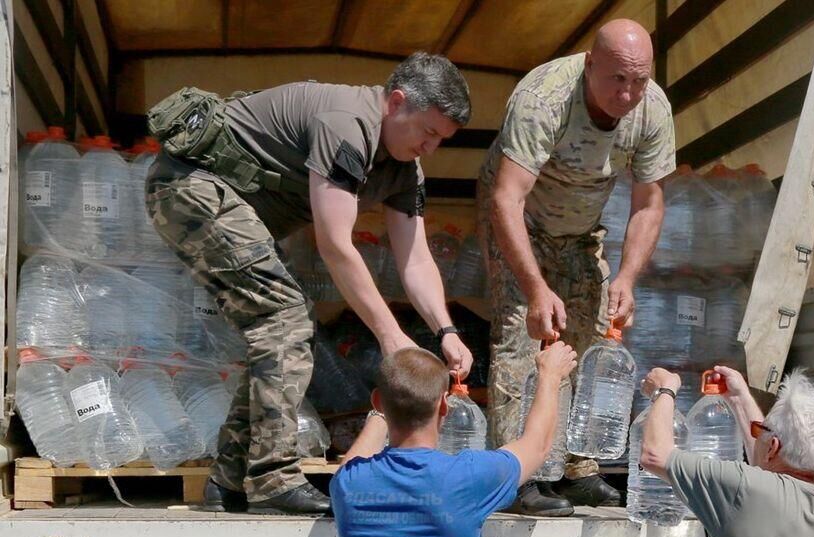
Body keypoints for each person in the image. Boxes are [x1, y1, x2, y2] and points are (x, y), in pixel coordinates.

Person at [145, 52, 475, 515]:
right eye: (429, 132)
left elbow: (416, 259)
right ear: (396, 102)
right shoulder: (347, 124)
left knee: (279, 325)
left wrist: (447, 330)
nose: (431, 147)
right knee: (284, 319)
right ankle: (271, 478)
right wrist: (390, 336)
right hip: (189, 187)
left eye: (442, 139)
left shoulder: (404, 167)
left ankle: (230, 479)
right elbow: (336, 246)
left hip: (234, 207)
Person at [476, 18, 675, 514]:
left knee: (592, 339)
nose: (628, 94)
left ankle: (575, 471)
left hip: (582, 227)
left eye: (639, 80)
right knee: (523, 335)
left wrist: (628, 276)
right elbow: (506, 199)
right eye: (616, 79)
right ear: (590, 65)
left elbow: (649, 203)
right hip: (519, 221)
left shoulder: (652, 108)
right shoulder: (544, 98)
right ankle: (516, 476)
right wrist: (536, 287)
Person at [330, 343, 578, 536]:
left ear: (377, 402)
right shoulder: (469, 474)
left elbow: (355, 459)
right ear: (444, 407)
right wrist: (550, 375)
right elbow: (538, 444)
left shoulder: (349, 482)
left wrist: (387, 400)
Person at [639, 365, 814, 537]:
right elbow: (766, 470)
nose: (756, 434)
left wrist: (664, 390)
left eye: (760, 429)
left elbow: (655, 455)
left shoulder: (741, 487)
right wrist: (740, 398)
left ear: (773, 448)